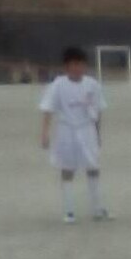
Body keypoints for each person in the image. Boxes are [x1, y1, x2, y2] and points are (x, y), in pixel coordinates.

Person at [39, 47, 110, 223]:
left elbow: (98, 110)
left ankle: (97, 208)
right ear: (66, 67)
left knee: (93, 167)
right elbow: (48, 109)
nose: (78, 68)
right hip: (67, 130)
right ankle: (69, 210)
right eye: (74, 64)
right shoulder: (57, 85)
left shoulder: (92, 85)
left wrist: (97, 132)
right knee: (67, 168)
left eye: (81, 64)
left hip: (87, 129)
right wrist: (45, 133)